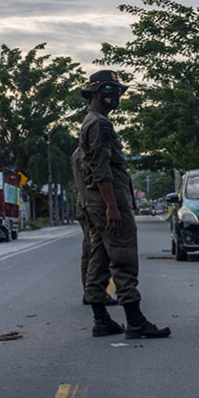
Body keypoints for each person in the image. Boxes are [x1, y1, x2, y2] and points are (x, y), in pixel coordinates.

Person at [78, 70, 170, 339]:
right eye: (110, 89)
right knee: (123, 256)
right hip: (109, 200)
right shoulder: (99, 124)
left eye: (117, 90)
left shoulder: (92, 121)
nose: (115, 94)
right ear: (95, 92)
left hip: (98, 201)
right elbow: (101, 167)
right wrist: (112, 206)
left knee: (101, 256)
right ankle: (135, 321)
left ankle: (101, 319)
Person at [72, 147, 118, 307]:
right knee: (94, 250)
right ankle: (93, 292)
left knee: (90, 249)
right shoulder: (84, 154)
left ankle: (91, 292)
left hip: (88, 207)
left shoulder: (80, 153)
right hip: (91, 208)